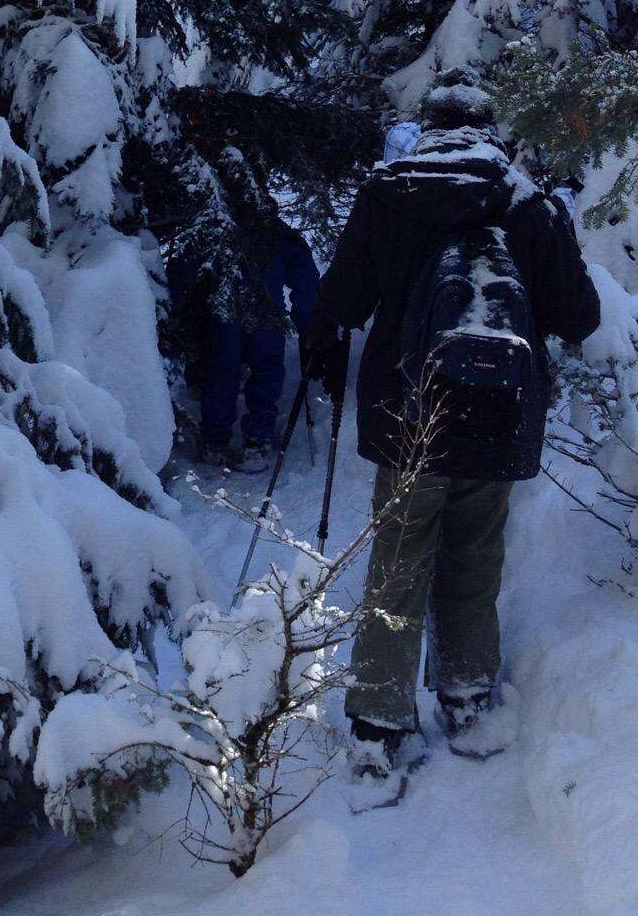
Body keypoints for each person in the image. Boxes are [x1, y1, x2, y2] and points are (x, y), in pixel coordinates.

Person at [302, 71, 600, 807]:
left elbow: (339, 302)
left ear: (428, 124)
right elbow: (579, 316)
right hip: (497, 420)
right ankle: (467, 698)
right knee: (474, 555)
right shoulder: (525, 202)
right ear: (489, 127)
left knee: (399, 565)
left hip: (409, 421)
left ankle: (378, 725)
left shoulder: (387, 194)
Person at [197, 217, 320, 468]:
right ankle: (257, 442)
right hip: (267, 316)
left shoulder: (215, 224)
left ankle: (214, 441)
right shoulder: (278, 232)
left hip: (225, 315)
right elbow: (305, 282)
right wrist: (307, 324)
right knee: (266, 370)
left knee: (223, 370)